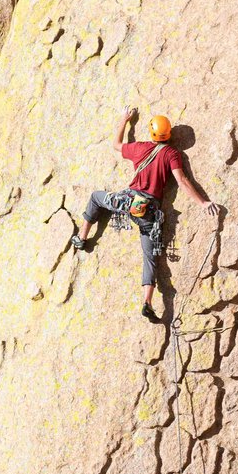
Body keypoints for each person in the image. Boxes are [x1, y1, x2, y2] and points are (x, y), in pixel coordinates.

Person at [71, 107, 217, 322]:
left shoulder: (140, 148)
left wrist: (125, 120)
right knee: (150, 258)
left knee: (96, 197)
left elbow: (116, 145)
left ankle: (82, 238)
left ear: (151, 133)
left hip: (127, 202)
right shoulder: (172, 154)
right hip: (149, 213)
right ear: (169, 135)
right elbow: (182, 181)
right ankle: (147, 302)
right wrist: (203, 202)